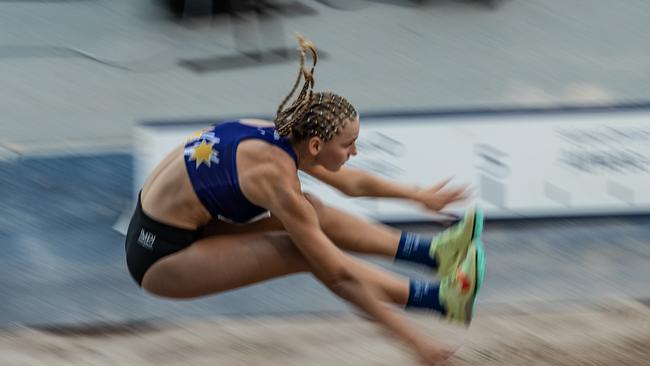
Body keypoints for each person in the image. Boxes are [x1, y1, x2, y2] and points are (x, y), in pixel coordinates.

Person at [125, 34, 485, 366]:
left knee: (314, 209)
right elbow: (340, 276)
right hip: (160, 256)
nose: (355, 152)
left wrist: (418, 196)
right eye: (348, 145)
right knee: (303, 252)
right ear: (316, 145)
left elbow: (351, 183)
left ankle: (434, 253)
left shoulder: (281, 133)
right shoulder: (275, 178)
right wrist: (413, 342)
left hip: (180, 226)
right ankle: (437, 299)